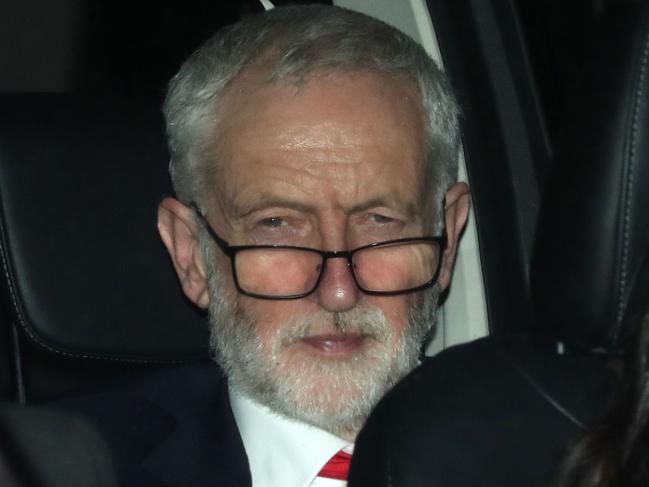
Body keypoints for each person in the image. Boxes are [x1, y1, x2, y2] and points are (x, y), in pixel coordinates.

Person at [55, 4, 469, 486]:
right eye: (277, 224)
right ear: (191, 254)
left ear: (448, 235)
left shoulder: (552, 455)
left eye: (379, 221)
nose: (338, 291)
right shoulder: (58, 469)